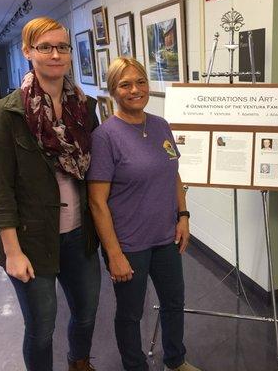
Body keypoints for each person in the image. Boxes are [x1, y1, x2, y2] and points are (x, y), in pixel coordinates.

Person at [0, 17, 101, 371]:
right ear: (27, 51)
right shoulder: (7, 113)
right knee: (41, 328)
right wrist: (13, 251)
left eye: (62, 47)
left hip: (79, 234)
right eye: (45, 47)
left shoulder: (85, 107)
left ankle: (78, 361)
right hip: (31, 239)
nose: (55, 54)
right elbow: (1, 190)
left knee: (85, 314)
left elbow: (97, 173)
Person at [87, 57, 201, 371]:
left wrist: (184, 216)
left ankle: (176, 360)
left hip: (166, 237)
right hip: (129, 244)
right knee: (130, 314)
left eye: (141, 82)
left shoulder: (161, 124)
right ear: (113, 90)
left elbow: (174, 174)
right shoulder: (106, 136)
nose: (135, 90)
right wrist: (114, 254)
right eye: (125, 84)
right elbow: (97, 202)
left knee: (174, 303)